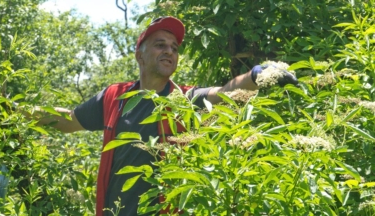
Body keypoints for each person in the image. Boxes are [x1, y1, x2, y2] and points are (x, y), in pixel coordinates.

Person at [28, 16, 298, 216]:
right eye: (160, 45)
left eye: (174, 47)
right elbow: (68, 120)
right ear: (139, 54)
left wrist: (256, 76)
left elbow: (224, 92)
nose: (169, 50)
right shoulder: (114, 97)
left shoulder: (185, 99)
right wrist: (15, 112)